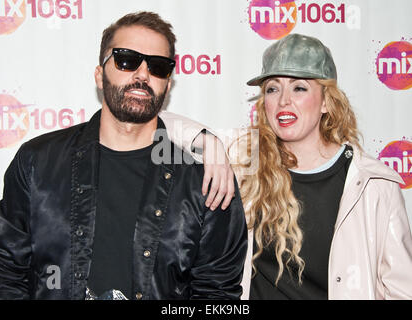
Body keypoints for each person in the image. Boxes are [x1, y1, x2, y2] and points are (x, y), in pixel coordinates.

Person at [0, 11, 247, 300]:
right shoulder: (37, 162)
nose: (143, 74)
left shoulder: (204, 180)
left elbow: (217, 294)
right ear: (99, 75)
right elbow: (6, 270)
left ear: (168, 83)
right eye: (126, 60)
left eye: (158, 66)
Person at [173, 33, 412, 300]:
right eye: (273, 89)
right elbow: (158, 127)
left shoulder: (374, 184)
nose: (283, 100)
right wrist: (208, 142)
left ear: (326, 101)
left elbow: (401, 290)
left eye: (299, 88)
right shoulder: (244, 155)